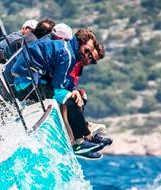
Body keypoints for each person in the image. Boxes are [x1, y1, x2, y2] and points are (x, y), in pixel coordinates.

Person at [11, 28, 107, 159]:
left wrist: (73, 90)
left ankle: (83, 140)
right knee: (70, 99)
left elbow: (62, 80)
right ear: (79, 43)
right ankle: (82, 141)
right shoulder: (67, 54)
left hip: (27, 82)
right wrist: (73, 93)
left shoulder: (66, 49)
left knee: (72, 96)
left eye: (90, 55)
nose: (87, 56)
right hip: (26, 85)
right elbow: (58, 84)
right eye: (86, 51)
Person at [0, 18, 54, 99]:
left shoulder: (17, 39)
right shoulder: (19, 41)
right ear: (24, 29)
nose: (34, 32)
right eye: (32, 30)